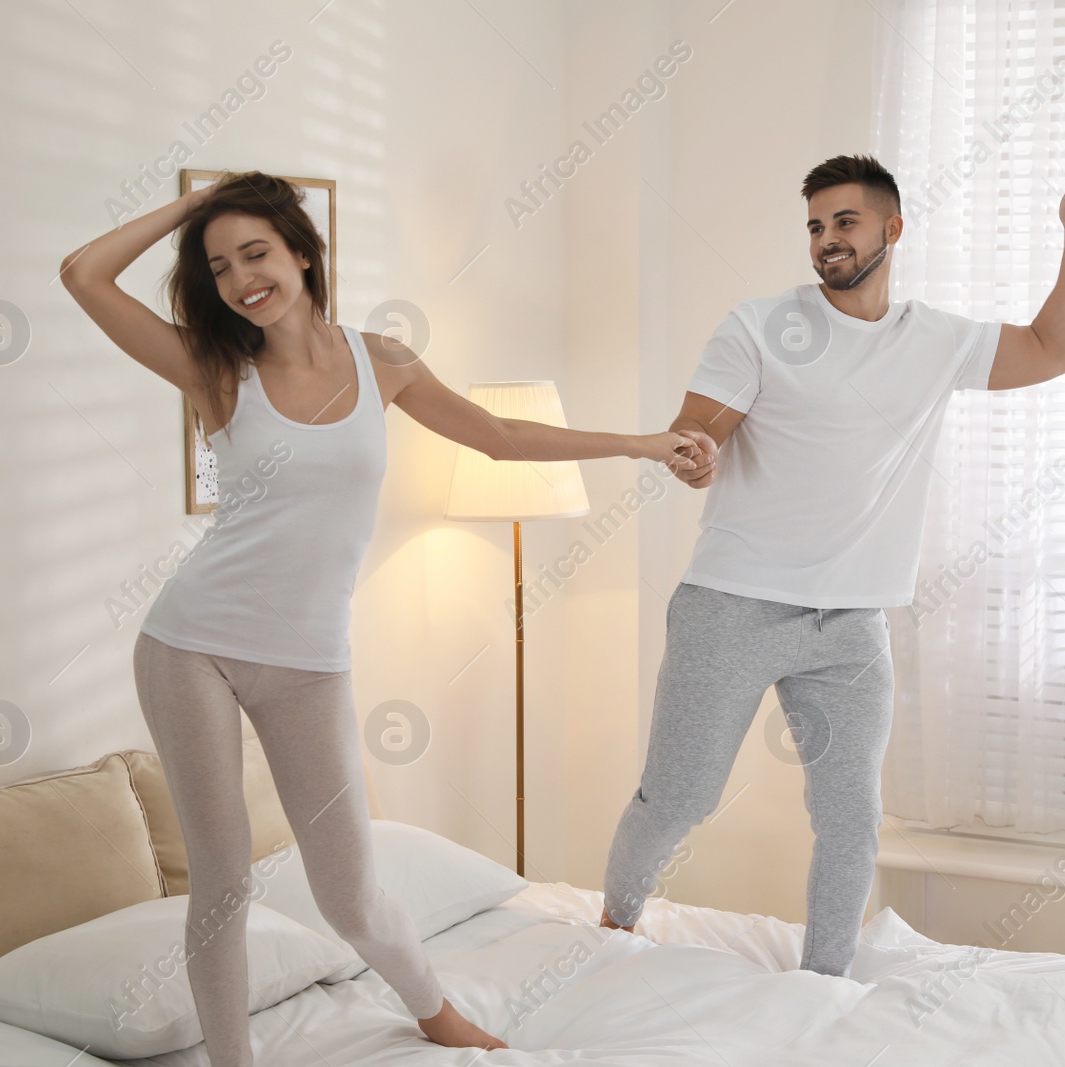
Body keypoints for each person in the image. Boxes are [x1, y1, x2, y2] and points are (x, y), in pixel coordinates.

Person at [60, 170, 709, 1063]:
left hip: (310, 661)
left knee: (349, 889)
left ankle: (435, 1011)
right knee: (221, 878)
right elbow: (84, 275)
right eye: (220, 266)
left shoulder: (384, 363)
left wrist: (638, 442)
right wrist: (195, 205)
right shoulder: (218, 369)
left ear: (301, 252)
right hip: (190, 645)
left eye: (257, 251)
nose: (244, 277)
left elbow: (499, 436)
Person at [599, 154, 1065, 980]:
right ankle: (612, 922)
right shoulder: (760, 327)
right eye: (814, 226)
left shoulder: (935, 340)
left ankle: (822, 985)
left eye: (844, 222)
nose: (826, 240)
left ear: (891, 228)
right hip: (734, 603)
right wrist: (694, 456)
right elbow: (700, 432)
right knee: (680, 797)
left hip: (853, 624)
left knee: (851, 819)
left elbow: (1054, 350)